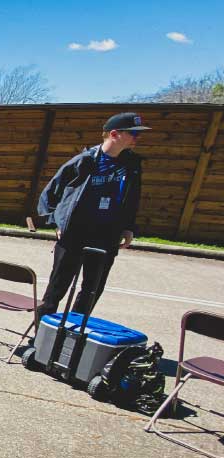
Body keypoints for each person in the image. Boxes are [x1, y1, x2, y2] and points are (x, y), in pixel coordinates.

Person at [37, 112, 148, 317]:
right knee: (56, 289)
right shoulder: (84, 161)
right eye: (133, 133)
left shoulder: (132, 164)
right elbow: (50, 194)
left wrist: (129, 227)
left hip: (107, 234)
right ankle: (40, 341)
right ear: (114, 134)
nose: (137, 138)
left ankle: (72, 339)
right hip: (75, 232)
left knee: (91, 290)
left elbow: (133, 198)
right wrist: (58, 222)